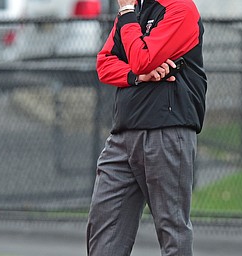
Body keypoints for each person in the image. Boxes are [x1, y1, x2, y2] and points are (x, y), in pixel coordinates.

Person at [86, 0, 207, 255]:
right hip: (123, 135)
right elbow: (104, 64)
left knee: (172, 232)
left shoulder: (180, 8)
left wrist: (128, 15)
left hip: (167, 130)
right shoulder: (133, 11)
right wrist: (136, 76)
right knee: (104, 235)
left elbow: (143, 57)